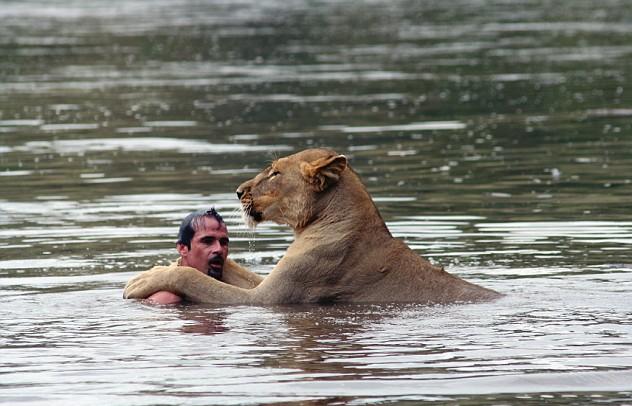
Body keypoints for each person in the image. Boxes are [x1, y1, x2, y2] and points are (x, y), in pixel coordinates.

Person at [143, 208, 262, 305]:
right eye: (207, 241)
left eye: (223, 242)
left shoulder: (237, 285)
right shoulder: (167, 300)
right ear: (182, 249)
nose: (219, 249)